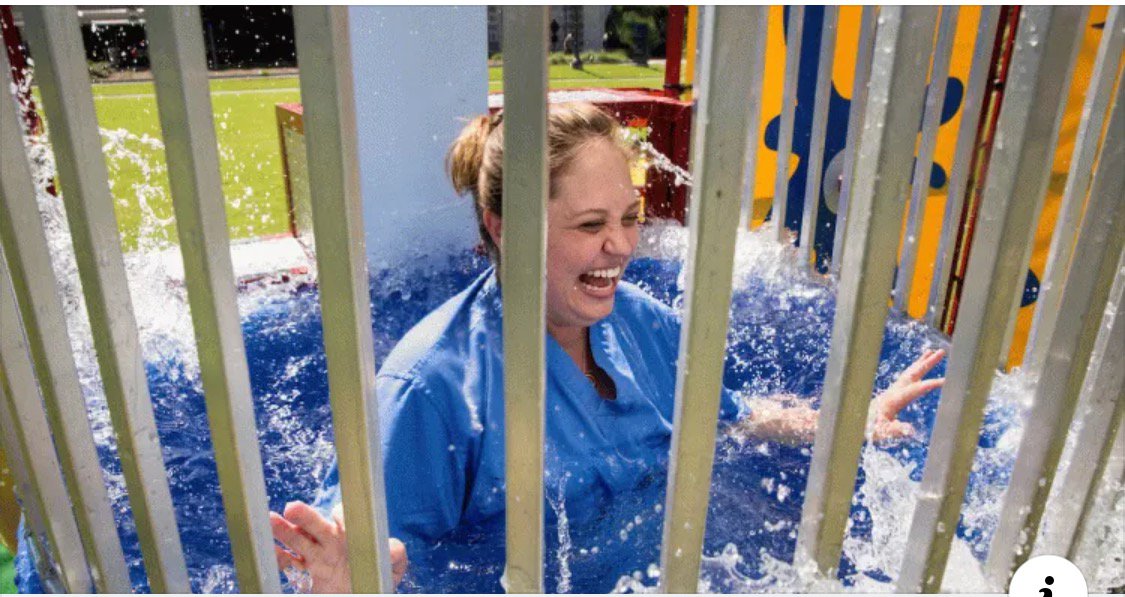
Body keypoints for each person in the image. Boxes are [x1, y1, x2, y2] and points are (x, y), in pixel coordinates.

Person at [269, 103, 946, 592]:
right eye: (590, 224)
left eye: (629, 217)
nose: (620, 246)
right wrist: (349, 574)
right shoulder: (432, 385)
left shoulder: (638, 321)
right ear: (504, 227)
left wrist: (847, 423)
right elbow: (371, 546)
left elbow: (731, 412)